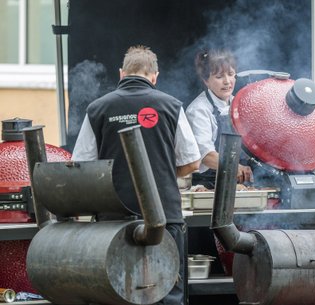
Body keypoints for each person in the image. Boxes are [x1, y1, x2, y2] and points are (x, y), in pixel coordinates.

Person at [72, 45, 201, 305]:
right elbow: (193, 162)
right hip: (165, 218)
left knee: (117, 292)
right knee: (167, 293)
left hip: (112, 220)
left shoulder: (97, 109)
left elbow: (81, 166)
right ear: (154, 76)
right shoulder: (171, 106)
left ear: (121, 73)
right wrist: (162, 174)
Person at [185, 49, 253, 189]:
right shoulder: (198, 110)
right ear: (206, 81)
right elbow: (206, 156)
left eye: (231, 74)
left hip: (239, 183)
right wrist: (235, 167)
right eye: (219, 76)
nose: (227, 82)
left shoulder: (240, 105)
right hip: (208, 185)